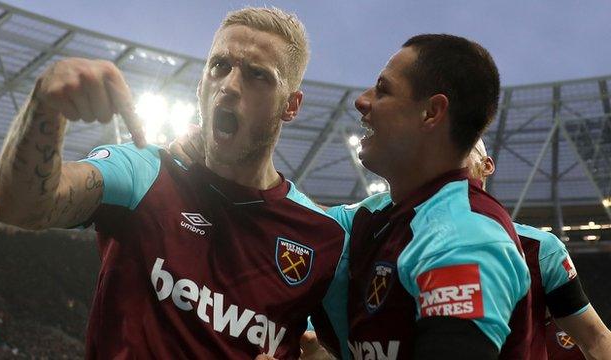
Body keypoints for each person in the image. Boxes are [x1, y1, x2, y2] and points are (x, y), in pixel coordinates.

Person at [0, 8, 349, 359]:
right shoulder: (145, 170)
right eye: (219, 66)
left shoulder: (321, 234)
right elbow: (20, 207)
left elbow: (348, 347)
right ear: (200, 84)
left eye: (257, 75)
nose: (229, 86)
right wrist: (44, 105)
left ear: (291, 105)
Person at [171, 34, 532, 359]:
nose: (362, 101)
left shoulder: (463, 240)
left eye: (383, 90)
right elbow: (287, 222)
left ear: (431, 113)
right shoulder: (373, 218)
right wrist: (217, 157)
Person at [466, 138, 611, 360]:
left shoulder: (540, 249)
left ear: (486, 165)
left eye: (461, 149)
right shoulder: (402, 242)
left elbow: (595, 339)